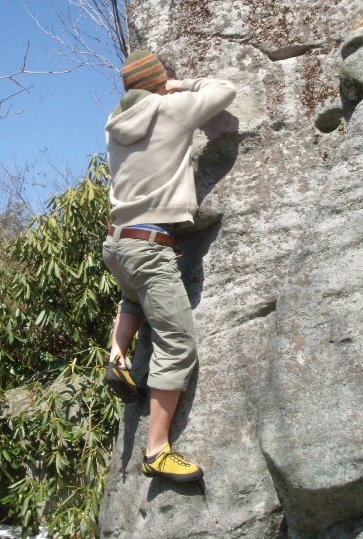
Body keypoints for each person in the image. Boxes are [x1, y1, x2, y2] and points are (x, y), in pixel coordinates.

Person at [102, 50, 236, 482]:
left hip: (116, 243)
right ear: (159, 83)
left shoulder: (114, 127)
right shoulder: (171, 109)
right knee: (177, 343)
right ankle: (157, 450)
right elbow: (224, 90)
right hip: (148, 246)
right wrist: (185, 86)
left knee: (133, 295)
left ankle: (117, 354)